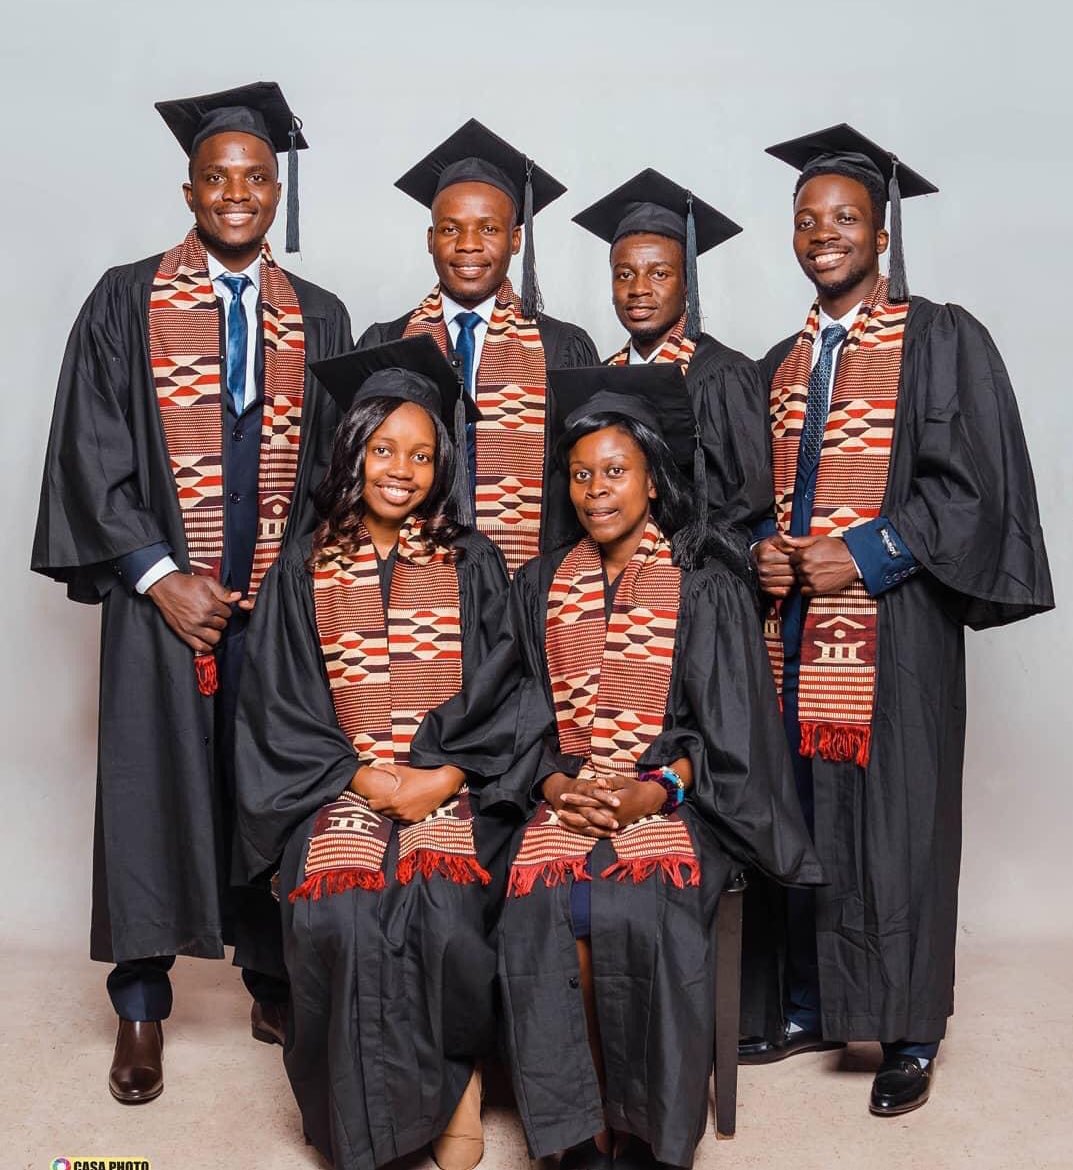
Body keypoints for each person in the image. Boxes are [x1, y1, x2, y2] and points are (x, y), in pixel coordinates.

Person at [411, 365, 823, 1169]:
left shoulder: (704, 587)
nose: (596, 490)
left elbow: (727, 731)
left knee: (633, 907)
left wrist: (652, 788)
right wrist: (556, 785)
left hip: (676, 802)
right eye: (579, 474)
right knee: (538, 907)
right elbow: (509, 716)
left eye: (615, 471)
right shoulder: (537, 587)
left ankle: (642, 1129)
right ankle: (576, 1134)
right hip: (561, 795)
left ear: (651, 479)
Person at [30, 82, 353, 1104]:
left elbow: (336, 477)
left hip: (278, 604)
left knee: (272, 782)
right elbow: (90, 452)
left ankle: (268, 978)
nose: (236, 194)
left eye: (255, 178)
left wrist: (286, 585)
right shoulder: (126, 299)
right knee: (149, 789)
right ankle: (139, 1008)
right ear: (189, 189)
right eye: (217, 178)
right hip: (160, 603)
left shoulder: (323, 315)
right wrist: (162, 579)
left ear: (276, 190)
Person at [740, 123, 1054, 1116]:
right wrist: (761, 548)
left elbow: (969, 491)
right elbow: (756, 493)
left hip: (896, 629)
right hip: (793, 635)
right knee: (799, 806)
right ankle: (805, 1004)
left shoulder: (937, 336)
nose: (821, 234)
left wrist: (863, 555)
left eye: (842, 218)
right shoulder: (777, 365)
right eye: (805, 220)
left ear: (879, 233)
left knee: (897, 823)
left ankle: (908, 1032)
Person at [235, 337, 511, 1170]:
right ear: (351, 452)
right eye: (383, 448)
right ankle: (366, 1125)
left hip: (450, 784)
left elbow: (510, 691)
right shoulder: (302, 568)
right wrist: (360, 778)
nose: (403, 468)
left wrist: (445, 776)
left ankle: (457, 1082)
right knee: (340, 910)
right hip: (336, 786)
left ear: (443, 466)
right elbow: (278, 707)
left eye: (422, 454)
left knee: (444, 904)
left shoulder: (474, 564)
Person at [358, 118, 598, 573]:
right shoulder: (386, 343)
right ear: (430, 239)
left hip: (528, 587)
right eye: (450, 229)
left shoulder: (562, 348)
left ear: (515, 240)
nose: (468, 245)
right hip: (409, 591)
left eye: (488, 229)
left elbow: (585, 479)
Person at [572, 169, 771, 534]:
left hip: (698, 577)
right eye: (624, 274)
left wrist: (687, 550)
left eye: (659, 274)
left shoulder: (726, 375)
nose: (639, 289)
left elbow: (752, 498)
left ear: (687, 283)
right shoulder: (599, 382)